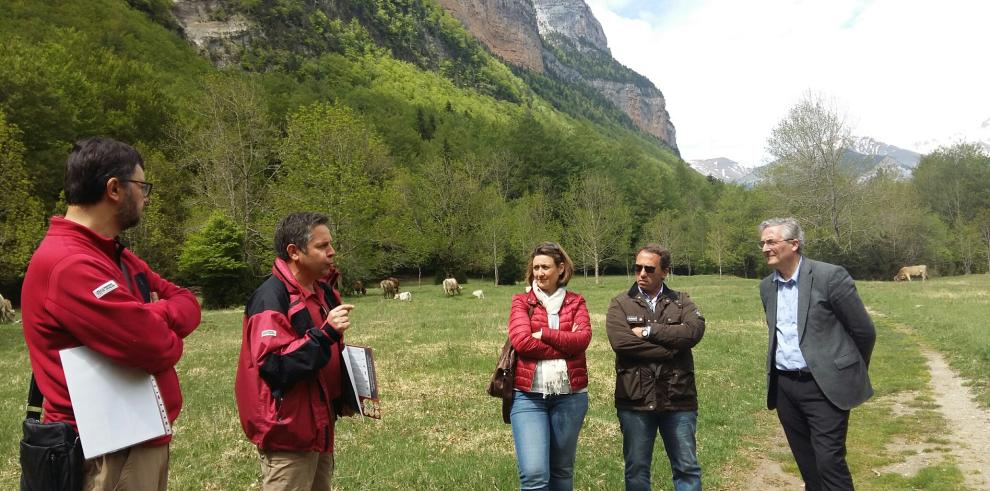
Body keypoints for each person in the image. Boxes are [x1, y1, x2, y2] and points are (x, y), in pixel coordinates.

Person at [21, 137, 202, 490]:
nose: (146, 197)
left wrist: (152, 312)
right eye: (142, 186)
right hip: (111, 450)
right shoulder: (70, 263)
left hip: (135, 438)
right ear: (115, 189)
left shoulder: (110, 253)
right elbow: (156, 347)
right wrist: (154, 321)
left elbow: (186, 301)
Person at [235, 212, 356, 490]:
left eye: (330, 244)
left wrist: (345, 393)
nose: (332, 251)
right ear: (295, 252)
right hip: (287, 433)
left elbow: (325, 358)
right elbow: (275, 366)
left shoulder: (322, 291)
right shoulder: (271, 297)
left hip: (319, 425)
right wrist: (325, 334)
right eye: (322, 246)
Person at [758, 217, 876, 491]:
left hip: (824, 387)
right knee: (808, 465)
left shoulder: (829, 276)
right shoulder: (767, 287)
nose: (765, 248)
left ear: (794, 244)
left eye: (771, 241)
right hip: (785, 387)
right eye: (763, 242)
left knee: (829, 463)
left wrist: (847, 372)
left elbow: (863, 331)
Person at [606, 244, 705, 491]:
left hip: (678, 398)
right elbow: (622, 343)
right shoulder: (620, 303)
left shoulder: (682, 302)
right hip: (635, 399)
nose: (641, 274)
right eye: (638, 267)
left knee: (687, 468)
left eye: (649, 269)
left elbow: (693, 332)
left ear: (665, 272)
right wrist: (672, 347)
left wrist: (649, 332)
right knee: (637, 470)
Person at [507, 242, 592, 491]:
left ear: (561, 268)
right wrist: (567, 344)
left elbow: (583, 340)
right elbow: (522, 342)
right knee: (534, 475)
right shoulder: (522, 302)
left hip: (571, 397)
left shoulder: (576, 302)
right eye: (536, 268)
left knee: (562, 472)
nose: (539, 273)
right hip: (528, 397)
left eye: (545, 267)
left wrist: (543, 333)